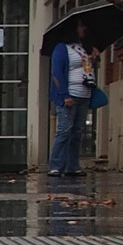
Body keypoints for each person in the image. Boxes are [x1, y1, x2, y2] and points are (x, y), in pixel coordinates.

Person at [48, 18, 98, 179]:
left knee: (77, 132)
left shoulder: (84, 48)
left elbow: (87, 69)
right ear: (73, 29)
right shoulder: (62, 48)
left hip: (84, 94)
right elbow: (56, 73)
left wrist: (94, 57)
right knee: (64, 131)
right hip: (70, 94)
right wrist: (64, 94)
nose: (83, 28)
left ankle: (72, 165)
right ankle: (56, 165)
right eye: (80, 26)